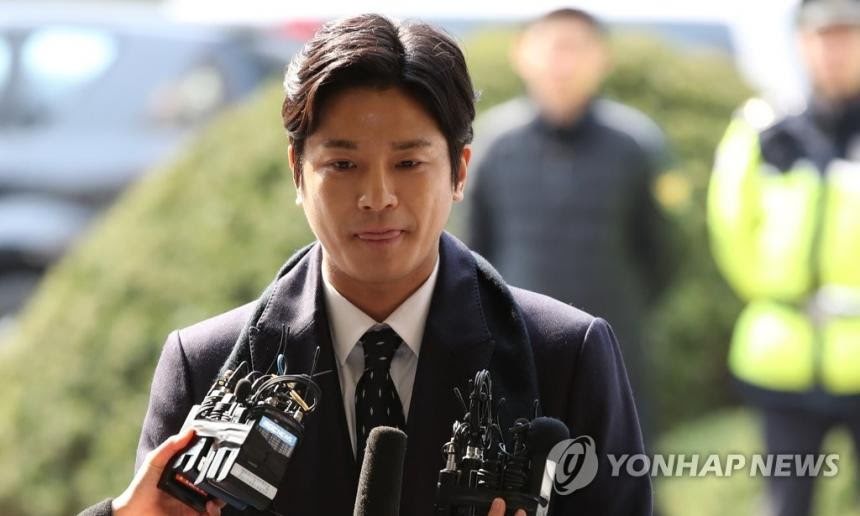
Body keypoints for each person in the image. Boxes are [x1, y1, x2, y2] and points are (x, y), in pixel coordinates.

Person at [79, 14, 650, 516]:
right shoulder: (205, 366)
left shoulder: (564, 356)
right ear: (297, 171)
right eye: (343, 164)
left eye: (408, 163)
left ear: (459, 170)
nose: (377, 197)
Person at [464, 8, 672, 442]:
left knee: (619, 471)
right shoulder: (492, 145)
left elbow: (660, 254)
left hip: (615, 350)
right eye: (551, 47)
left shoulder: (636, 144)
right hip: (519, 352)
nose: (563, 62)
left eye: (576, 48)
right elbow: (475, 253)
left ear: (603, 58)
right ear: (521, 54)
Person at [708, 1, 860, 515]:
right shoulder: (765, 126)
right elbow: (730, 222)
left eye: (846, 36)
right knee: (786, 502)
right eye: (821, 37)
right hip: (782, 354)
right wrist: (775, 294)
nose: (833, 51)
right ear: (801, 43)